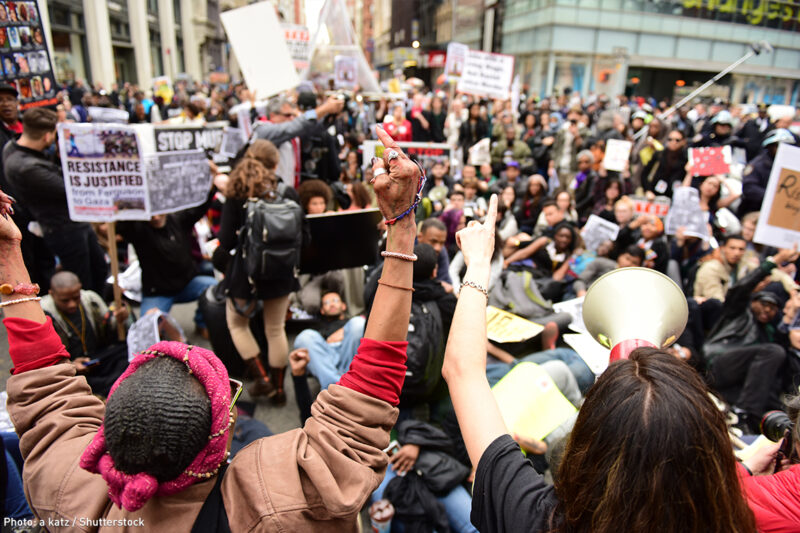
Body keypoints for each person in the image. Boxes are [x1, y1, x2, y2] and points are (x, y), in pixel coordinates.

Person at [0, 125, 421, 529]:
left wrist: (7, 254)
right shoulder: (286, 502)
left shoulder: (68, 491)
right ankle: (272, 382)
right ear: (220, 439)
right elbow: (367, 400)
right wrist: (401, 225)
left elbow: (46, 398)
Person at [439, 194, 758, 533]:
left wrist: (478, 262)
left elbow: (463, 371)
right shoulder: (732, 516)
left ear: (586, 443)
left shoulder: (535, 519)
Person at [3, 107, 107, 294]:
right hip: (63, 228)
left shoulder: (13, 147)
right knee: (83, 281)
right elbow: (72, 189)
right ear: (47, 136)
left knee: (99, 268)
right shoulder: (28, 168)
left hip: (72, 222)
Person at [703, 247, 799, 433]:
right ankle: (745, 412)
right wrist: (775, 260)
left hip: (739, 385)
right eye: (764, 303)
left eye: (773, 308)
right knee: (773, 351)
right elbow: (741, 288)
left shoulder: (770, 331)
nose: (768, 310)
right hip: (719, 363)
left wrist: (789, 316)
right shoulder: (737, 312)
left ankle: (747, 419)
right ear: (753, 300)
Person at [117, 192, 217, 338]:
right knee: (147, 330)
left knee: (213, 287)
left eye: (158, 213)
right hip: (158, 293)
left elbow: (199, 207)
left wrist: (211, 186)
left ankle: (201, 323)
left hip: (186, 285)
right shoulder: (139, 230)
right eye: (152, 214)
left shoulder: (178, 220)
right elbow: (123, 226)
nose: (156, 218)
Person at [41, 271, 130, 397]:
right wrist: (71, 365)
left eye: (76, 297)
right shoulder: (43, 314)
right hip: (68, 368)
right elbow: (44, 360)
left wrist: (120, 318)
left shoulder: (90, 299)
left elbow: (110, 329)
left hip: (96, 358)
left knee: (126, 352)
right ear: (52, 294)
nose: (72, 304)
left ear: (80, 289)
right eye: (65, 300)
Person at [252, 94, 344, 189]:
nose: (291, 118)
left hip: (289, 188)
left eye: (293, 115)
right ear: (273, 115)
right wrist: (325, 108)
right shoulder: (264, 130)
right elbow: (295, 126)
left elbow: (313, 130)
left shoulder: (288, 132)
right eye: (287, 115)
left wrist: (331, 114)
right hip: (271, 190)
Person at [292, 290, 366, 390]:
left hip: (349, 351)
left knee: (359, 323)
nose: (331, 304)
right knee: (304, 337)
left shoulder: (351, 322)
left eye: (335, 300)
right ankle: (336, 387)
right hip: (326, 355)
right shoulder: (317, 327)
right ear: (322, 310)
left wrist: (343, 331)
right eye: (326, 303)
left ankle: (342, 386)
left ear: (344, 306)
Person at [693, 234, 749, 302]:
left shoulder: (742, 266)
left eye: (741, 249)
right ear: (723, 248)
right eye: (732, 248)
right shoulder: (711, 268)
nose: (736, 253)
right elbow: (716, 300)